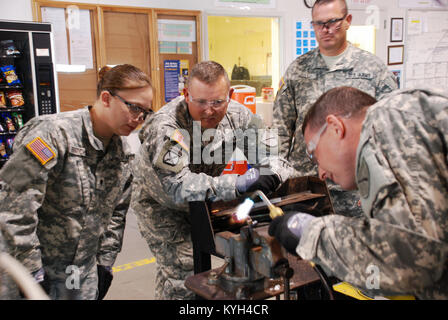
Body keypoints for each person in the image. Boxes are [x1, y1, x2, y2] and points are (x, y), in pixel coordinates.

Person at [131, 60, 293, 299]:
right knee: (185, 273)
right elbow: (177, 186)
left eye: (217, 102)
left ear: (230, 95)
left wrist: (271, 173)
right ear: (187, 95)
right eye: (201, 102)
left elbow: (276, 156)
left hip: (208, 202)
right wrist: (236, 184)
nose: (209, 110)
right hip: (163, 208)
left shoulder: (238, 115)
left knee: (231, 261)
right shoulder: (166, 125)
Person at [269, 86, 448, 299]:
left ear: (335, 127)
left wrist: (312, 233)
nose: (321, 173)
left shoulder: (388, 119)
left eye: (314, 155)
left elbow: (416, 261)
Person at [0, 64, 154, 299]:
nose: (139, 119)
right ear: (106, 98)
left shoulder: (122, 153)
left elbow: (117, 215)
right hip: (30, 273)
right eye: (134, 108)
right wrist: (32, 273)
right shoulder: (51, 135)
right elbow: (14, 209)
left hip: (81, 275)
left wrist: (104, 264)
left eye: (145, 112)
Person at [273, 0, 398, 217]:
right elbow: (280, 129)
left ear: (347, 21)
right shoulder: (297, 70)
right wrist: (276, 174)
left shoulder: (373, 70)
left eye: (332, 22)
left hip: (355, 189)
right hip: (307, 188)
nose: (325, 29)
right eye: (318, 24)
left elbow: (390, 130)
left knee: (353, 246)